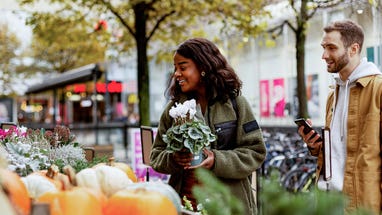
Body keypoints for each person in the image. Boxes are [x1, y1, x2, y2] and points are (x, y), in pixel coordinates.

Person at [150, 38, 266, 215]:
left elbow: (255, 152)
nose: (176, 74)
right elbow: (156, 155)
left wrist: (216, 160)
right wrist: (173, 159)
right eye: (175, 68)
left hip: (229, 205)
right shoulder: (174, 109)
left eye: (183, 67)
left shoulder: (236, 104)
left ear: (203, 67)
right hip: (185, 206)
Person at [297, 20, 382, 214]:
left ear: (353, 49)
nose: (324, 55)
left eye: (331, 48)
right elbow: (338, 151)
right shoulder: (332, 95)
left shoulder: (378, 90)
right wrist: (317, 147)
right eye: (323, 47)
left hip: (361, 207)